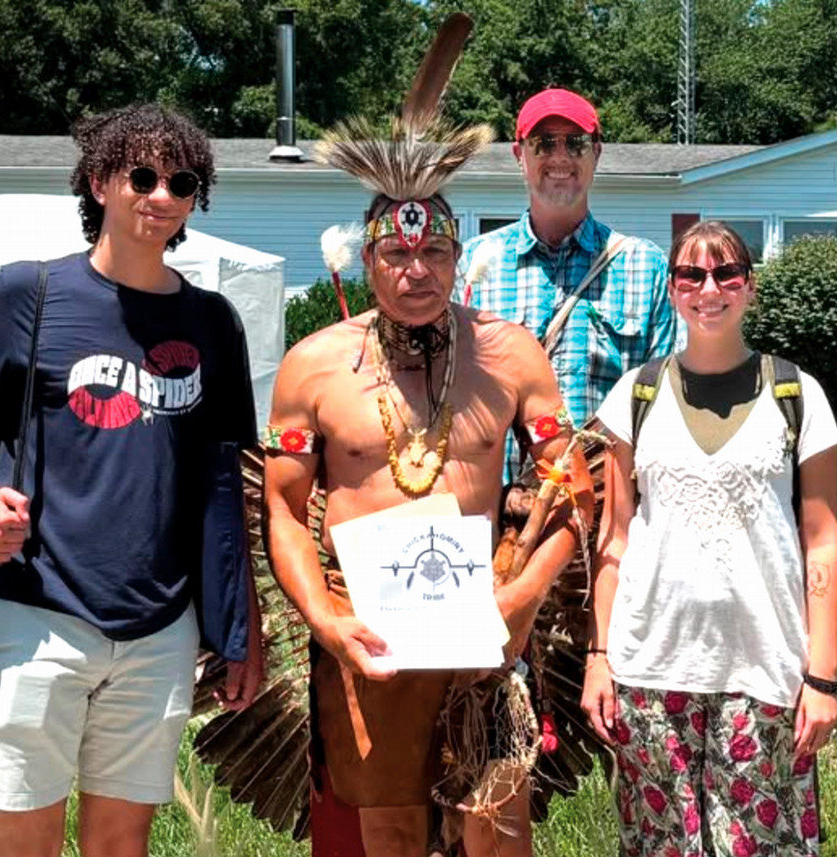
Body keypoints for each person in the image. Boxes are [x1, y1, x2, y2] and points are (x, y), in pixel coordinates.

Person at [264, 118, 594, 854]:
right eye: (397, 253)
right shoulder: (313, 364)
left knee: (496, 826)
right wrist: (325, 620)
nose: (417, 271)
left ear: (458, 256)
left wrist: (520, 595)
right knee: (390, 828)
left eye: (434, 251)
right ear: (369, 261)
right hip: (369, 633)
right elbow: (282, 511)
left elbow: (572, 489)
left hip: (483, 627)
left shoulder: (510, 354)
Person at [0, 104, 263, 857]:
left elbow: (223, 483)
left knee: (119, 844)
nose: (161, 194)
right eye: (142, 175)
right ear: (100, 181)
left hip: (159, 626)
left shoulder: (213, 322)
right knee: (23, 840)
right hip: (38, 610)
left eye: (182, 181)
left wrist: (237, 628)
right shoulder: (24, 296)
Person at [581, 220, 837, 856]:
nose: (709, 288)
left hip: (766, 667)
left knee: (764, 845)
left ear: (748, 287)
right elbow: (614, 539)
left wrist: (825, 676)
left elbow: (825, 543)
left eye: (726, 273)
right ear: (673, 290)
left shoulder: (797, 395)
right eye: (692, 275)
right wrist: (598, 657)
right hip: (651, 668)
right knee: (661, 845)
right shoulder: (634, 396)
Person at [457, 87, 679, 481]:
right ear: (519, 155)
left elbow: (663, 403)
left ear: (596, 152)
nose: (560, 157)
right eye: (543, 143)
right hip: (496, 515)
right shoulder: (473, 264)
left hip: (607, 511)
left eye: (575, 143)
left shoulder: (644, 266)